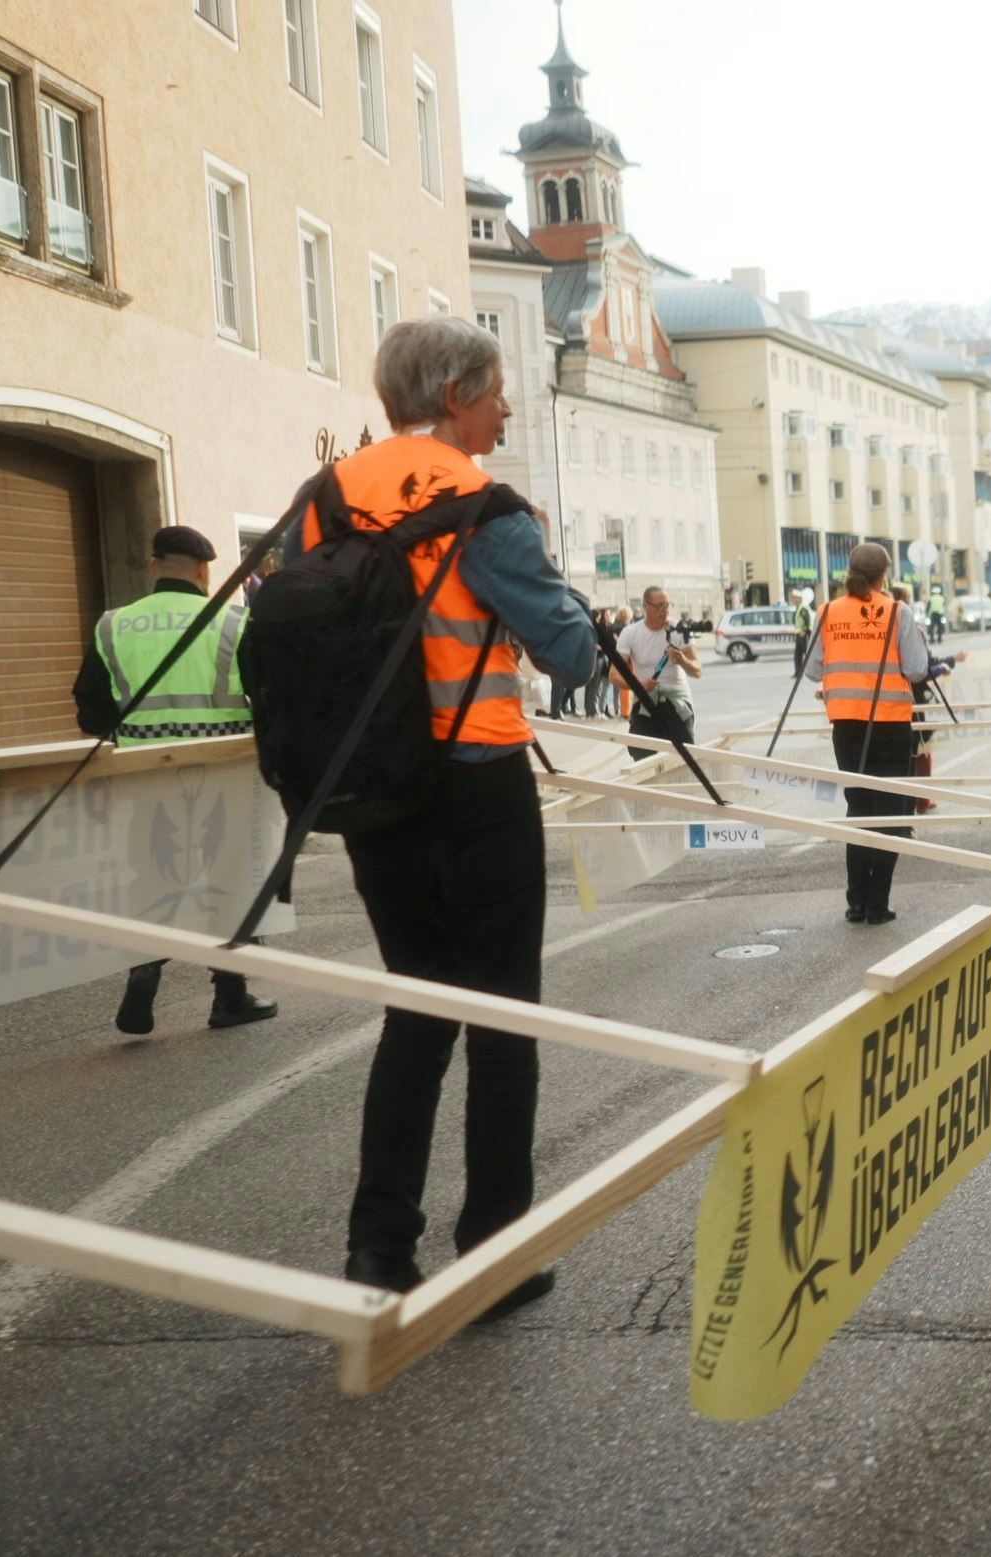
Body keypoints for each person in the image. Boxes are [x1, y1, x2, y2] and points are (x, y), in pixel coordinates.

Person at [300, 316, 595, 1313]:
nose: (506, 410)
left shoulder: (324, 496)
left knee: (417, 1011)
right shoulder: (484, 504)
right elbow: (569, 653)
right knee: (502, 1018)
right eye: (497, 391)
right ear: (458, 393)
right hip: (477, 782)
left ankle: (378, 1247)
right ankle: (493, 1256)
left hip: (373, 790)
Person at [71, 524, 275, 1036]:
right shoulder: (234, 621)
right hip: (225, 772)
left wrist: (135, 733)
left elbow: (91, 712)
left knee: (153, 876)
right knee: (229, 879)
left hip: (147, 775)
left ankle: (144, 970)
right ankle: (229, 996)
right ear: (204, 570)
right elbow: (269, 697)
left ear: (153, 565)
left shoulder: (114, 625)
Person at [804, 544, 940, 925]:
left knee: (860, 809)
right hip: (891, 724)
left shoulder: (828, 612)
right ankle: (878, 903)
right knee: (891, 812)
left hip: (847, 725)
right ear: (885, 574)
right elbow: (917, 669)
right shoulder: (898, 611)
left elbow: (812, 671)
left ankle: (856, 902)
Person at [613, 585, 701, 744]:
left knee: (684, 752)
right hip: (645, 700)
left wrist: (682, 659)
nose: (664, 610)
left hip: (677, 700)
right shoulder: (630, 633)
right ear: (645, 606)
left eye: (667, 605)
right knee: (640, 751)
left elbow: (698, 671)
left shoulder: (680, 629)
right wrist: (639, 685)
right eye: (659, 606)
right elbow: (614, 675)